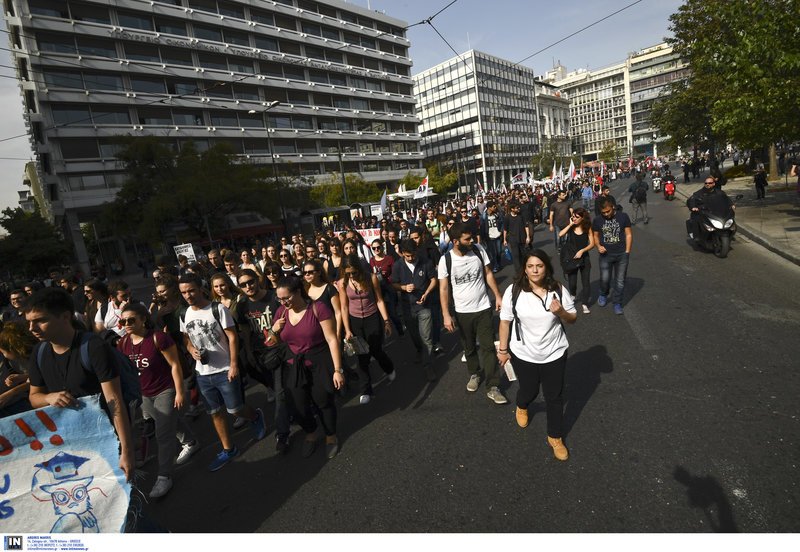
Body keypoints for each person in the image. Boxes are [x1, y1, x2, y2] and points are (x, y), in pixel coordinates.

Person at [24, 288, 135, 480]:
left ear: (65, 316)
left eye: (41, 320)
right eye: (29, 322)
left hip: (108, 440)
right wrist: (49, 397)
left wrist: (126, 450)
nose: (32, 328)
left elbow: (114, 400)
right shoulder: (39, 353)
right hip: (71, 444)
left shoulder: (93, 347)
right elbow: (34, 398)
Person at [178, 275, 267, 472]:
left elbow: (233, 337)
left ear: (200, 288)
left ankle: (254, 416)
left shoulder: (217, 309)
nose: (188, 295)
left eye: (191, 290)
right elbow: (186, 338)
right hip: (203, 372)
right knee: (214, 412)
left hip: (225, 368)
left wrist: (234, 364)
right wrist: (191, 349)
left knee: (235, 410)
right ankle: (229, 448)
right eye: (183, 292)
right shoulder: (184, 314)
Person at [497, 249, 576, 460]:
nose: (535, 270)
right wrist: (503, 351)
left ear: (546, 268)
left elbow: (572, 318)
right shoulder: (513, 291)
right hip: (524, 353)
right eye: (530, 266)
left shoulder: (557, 289)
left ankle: (555, 437)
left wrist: (561, 312)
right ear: (524, 268)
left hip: (554, 353)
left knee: (554, 397)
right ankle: (522, 406)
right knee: (529, 391)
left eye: (539, 266)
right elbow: (505, 321)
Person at [117, 303, 199, 498]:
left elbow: (174, 365)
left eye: (131, 320)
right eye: (123, 321)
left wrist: (179, 392)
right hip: (143, 393)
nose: (126, 324)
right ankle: (191, 441)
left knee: (163, 435)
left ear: (143, 319)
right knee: (168, 421)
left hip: (165, 390)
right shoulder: (123, 343)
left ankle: (164, 477)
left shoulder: (158, 338)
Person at [271, 277, 344, 459]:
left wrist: (338, 369)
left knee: (323, 401)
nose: (282, 302)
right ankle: (311, 433)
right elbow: (272, 342)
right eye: (279, 299)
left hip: (319, 360)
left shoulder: (318, 308)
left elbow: (331, 339)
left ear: (298, 292)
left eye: (286, 298)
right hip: (294, 364)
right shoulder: (281, 312)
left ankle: (330, 436)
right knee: (298, 407)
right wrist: (274, 330)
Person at [438, 222, 507, 404]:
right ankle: (475, 373)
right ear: (455, 241)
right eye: (466, 239)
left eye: (471, 238)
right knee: (468, 346)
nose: (471, 241)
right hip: (462, 312)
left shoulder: (477, 250)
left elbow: (488, 274)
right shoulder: (446, 260)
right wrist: (446, 314)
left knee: (488, 347)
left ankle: (493, 386)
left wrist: (498, 296)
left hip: (483, 307)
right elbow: (444, 289)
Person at [235, 269, 291, 454]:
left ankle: (282, 434)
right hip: (260, 354)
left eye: (250, 282)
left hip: (280, 350)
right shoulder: (242, 305)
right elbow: (244, 329)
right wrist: (249, 351)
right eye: (243, 284)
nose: (248, 287)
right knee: (278, 388)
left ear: (257, 280)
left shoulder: (273, 297)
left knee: (280, 392)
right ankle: (294, 408)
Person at [339, 254, 396, 404]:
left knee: (376, 349)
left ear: (359, 268)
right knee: (361, 356)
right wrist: (347, 329)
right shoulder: (343, 283)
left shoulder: (371, 278)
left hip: (372, 318)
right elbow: (344, 307)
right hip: (355, 321)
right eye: (348, 273)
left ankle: (389, 367)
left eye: (354, 272)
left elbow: (379, 300)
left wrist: (386, 321)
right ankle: (366, 390)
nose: (351, 275)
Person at [392, 240, 438, 381]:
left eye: (412, 255)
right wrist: (404, 288)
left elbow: (433, 280)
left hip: (424, 306)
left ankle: (428, 365)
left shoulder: (425, 262)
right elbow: (394, 283)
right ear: (403, 254)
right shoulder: (398, 265)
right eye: (407, 256)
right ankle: (419, 350)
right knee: (414, 335)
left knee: (427, 338)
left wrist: (427, 293)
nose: (411, 258)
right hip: (407, 308)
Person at [592, 197, 633, 315]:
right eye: (603, 212)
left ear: (613, 207)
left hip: (621, 254)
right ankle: (603, 294)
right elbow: (595, 235)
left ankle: (617, 302)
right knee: (605, 279)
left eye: (608, 211)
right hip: (605, 255)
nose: (606, 214)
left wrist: (627, 252)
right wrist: (598, 246)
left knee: (620, 281)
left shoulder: (623, 216)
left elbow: (628, 234)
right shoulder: (598, 220)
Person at [558, 208, 596, 314]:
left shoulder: (587, 228)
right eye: (573, 216)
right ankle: (573, 294)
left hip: (584, 258)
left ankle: (585, 303)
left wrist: (582, 251)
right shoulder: (571, 227)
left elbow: (592, 244)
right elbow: (560, 234)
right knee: (572, 283)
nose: (574, 218)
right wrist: (570, 225)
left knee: (586, 282)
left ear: (582, 218)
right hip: (572, 259)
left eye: (577, 217)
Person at [0, 321, 35, 417]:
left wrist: (10, 393)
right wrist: (22, 377)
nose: (4, 356)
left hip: (18, 405)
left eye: (3, 352)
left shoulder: (35, 355)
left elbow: (41, 377)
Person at [303, 260, 342, 339]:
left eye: (310, 272)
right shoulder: (304, 290)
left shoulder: (329, 288)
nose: (307, 274)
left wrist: (338, 334)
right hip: (313, 335)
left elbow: (338, 312)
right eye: (305, 272)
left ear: (319, 273)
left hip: (330, 333)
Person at [503, 201, 530, 272]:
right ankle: (519, 271)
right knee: (516, 255)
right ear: (512, 209)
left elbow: (526, 226)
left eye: (518, 207)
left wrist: (528, 236)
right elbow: (505, 229)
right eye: (517, 208)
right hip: (513, 239)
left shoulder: (521, 216)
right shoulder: (507, 217)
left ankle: (525, 268)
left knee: (524, 254)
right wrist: (504, 239)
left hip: (522, 238)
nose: (518, 209)